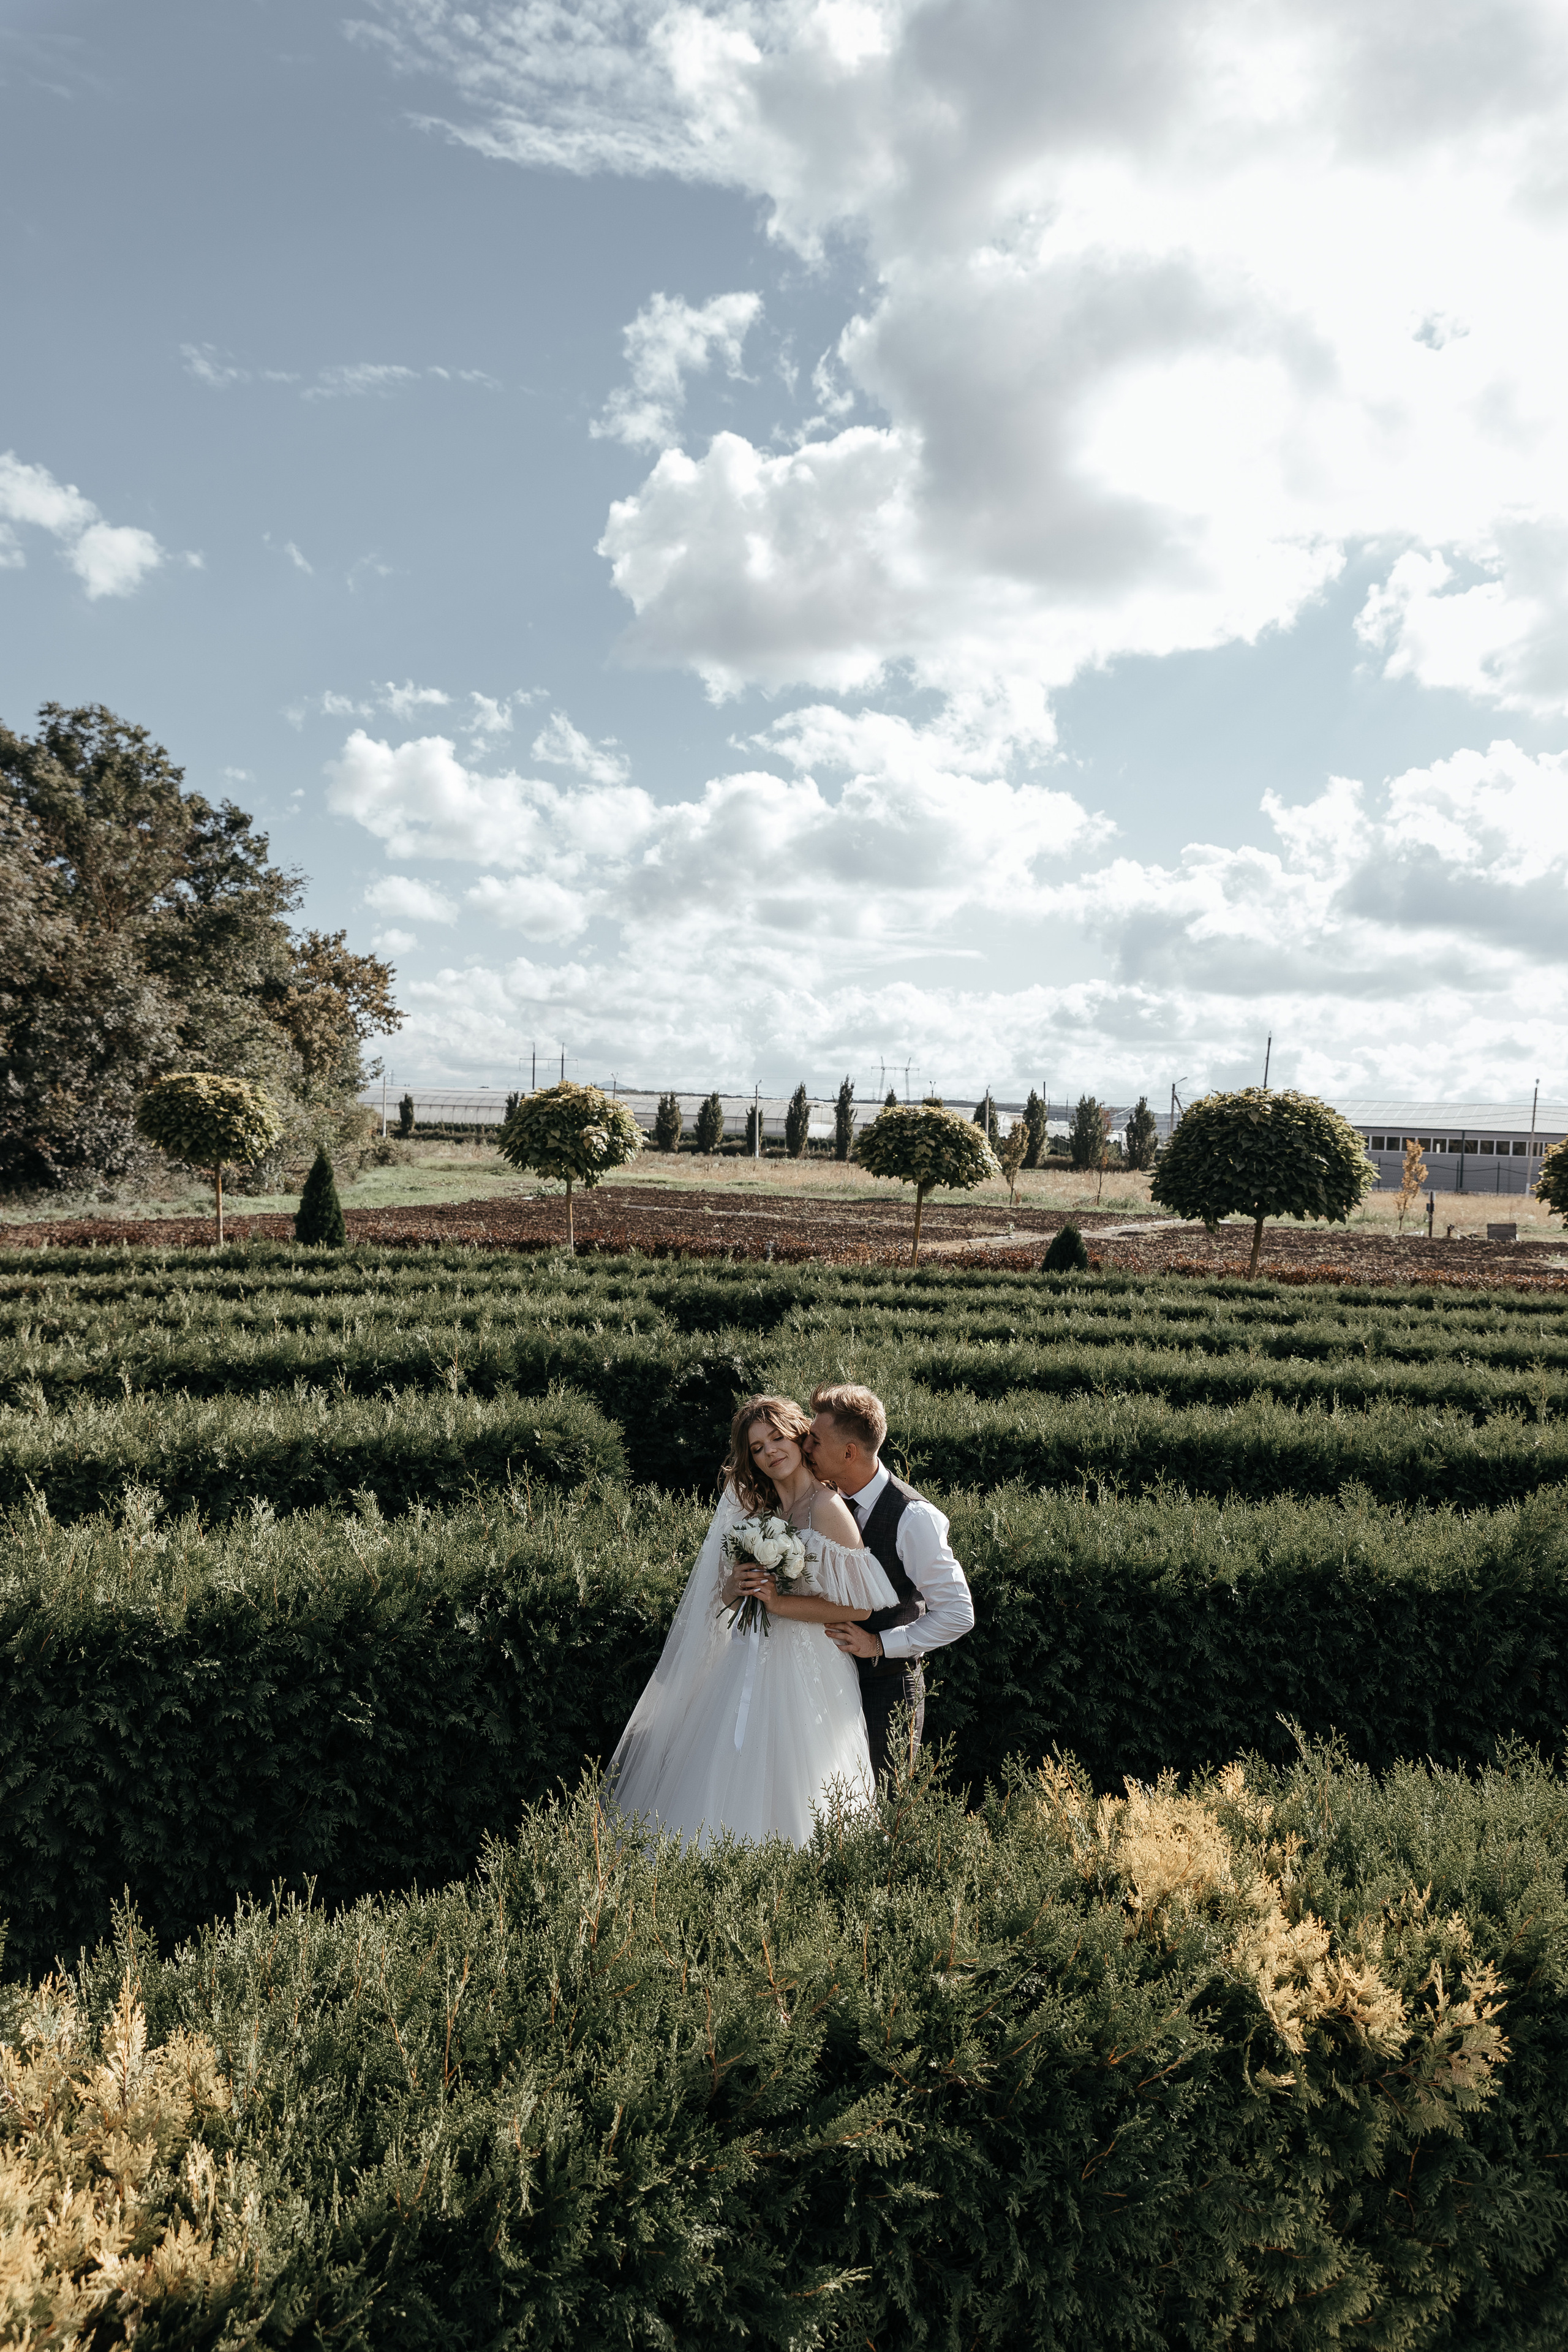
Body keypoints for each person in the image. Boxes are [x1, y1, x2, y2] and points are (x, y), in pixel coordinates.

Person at [604, 1394, 900, 1846]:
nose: (769, 1453)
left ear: (800, 1438)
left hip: (807, 1667)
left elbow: (860, 1608)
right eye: (757, 1448)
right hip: (746, 1657)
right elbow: (722, 1599)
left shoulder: (825, 1508)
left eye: (776, 1438)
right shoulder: (759, 1512)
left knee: (797, 1775)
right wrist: (738, 1584)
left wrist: (780, 1604)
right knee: (727, 1769)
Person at [804, 1382, 975, 1785]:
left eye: (815, 1439)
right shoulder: (821, 1502)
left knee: (884, 1808)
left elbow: (958, 1612)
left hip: (888, 1689)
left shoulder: (914, 1518)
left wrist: (880, 1644)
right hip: (825, 1683)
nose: (805, 1446)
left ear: (849, 1452)